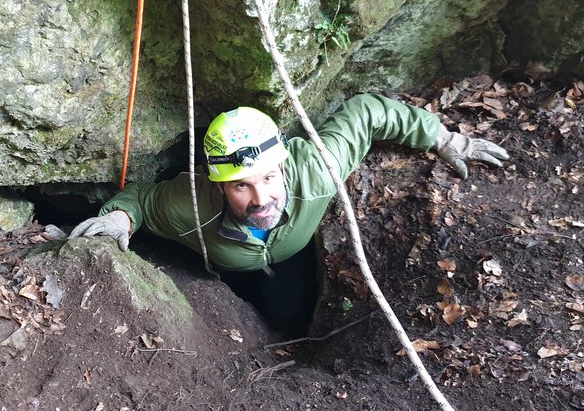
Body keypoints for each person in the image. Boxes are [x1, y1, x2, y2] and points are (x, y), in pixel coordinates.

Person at [70, 93, 508, 336]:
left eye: (267, 178)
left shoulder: (317, 170)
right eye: (241, 185)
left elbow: (368, 112)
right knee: (269, 309)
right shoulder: (192, 204)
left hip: (295, 260)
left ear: (283, 166)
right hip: (229, 271)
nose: (260, 199)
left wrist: (444, 138)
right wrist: (119, 220)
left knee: (288, 311)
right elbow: (143, 199)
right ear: (219, 185)